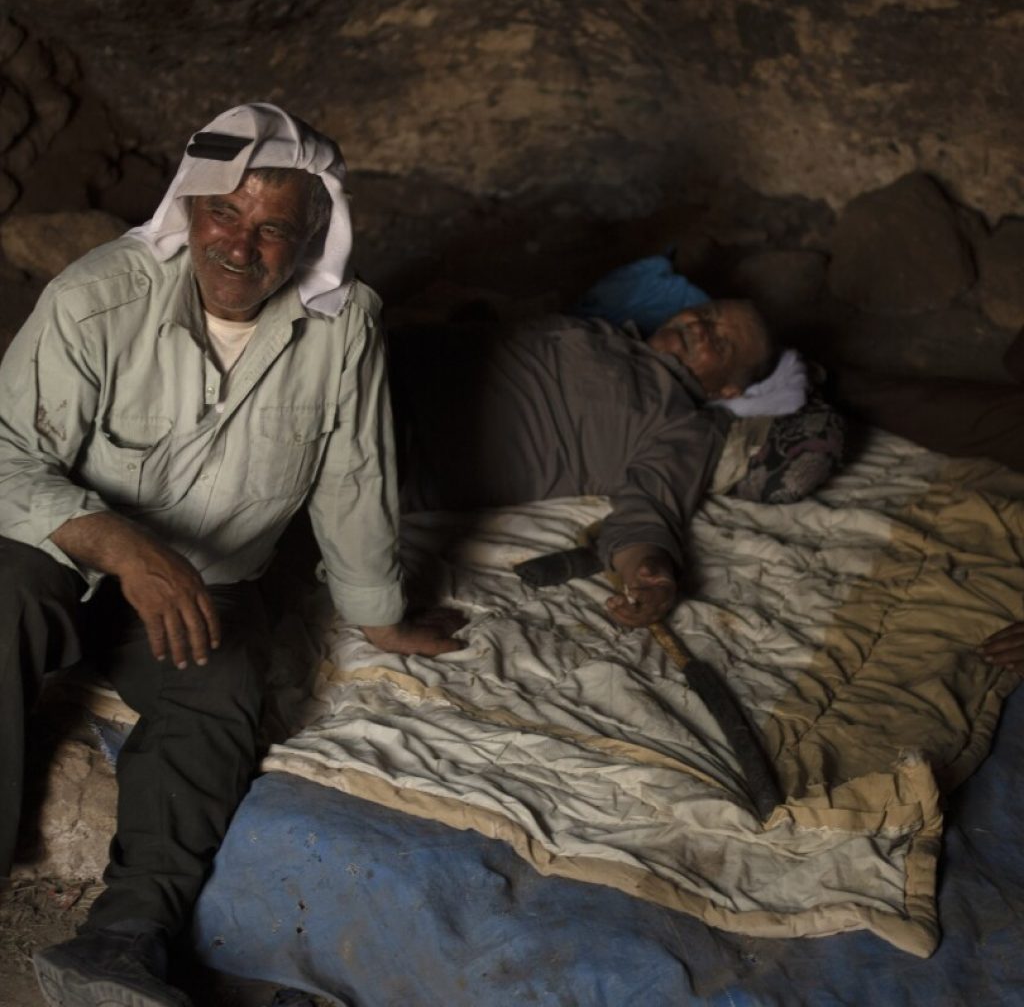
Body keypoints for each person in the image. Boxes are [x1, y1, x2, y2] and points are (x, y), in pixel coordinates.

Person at [0, 104, 458, 1007]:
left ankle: (124, 943)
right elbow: (5, 451)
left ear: (306, 242)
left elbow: (354, 472)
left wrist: (377, 611)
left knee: (223, 684)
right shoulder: (98, 297)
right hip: (65, 552)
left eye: (272, 229)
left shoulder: (342, 326)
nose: (240, 245)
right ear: (191, 208)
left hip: (204, 583)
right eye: (225, 214)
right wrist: (118, 540)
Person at [392, 298, 776, 629]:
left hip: (403, 442)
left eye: (721, 343)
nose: (700, 328)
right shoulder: (610, 334)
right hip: (382, 360)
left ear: (729, 390)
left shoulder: (683, 421)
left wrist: (647, 573)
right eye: (706, 314)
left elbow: (650, 508)